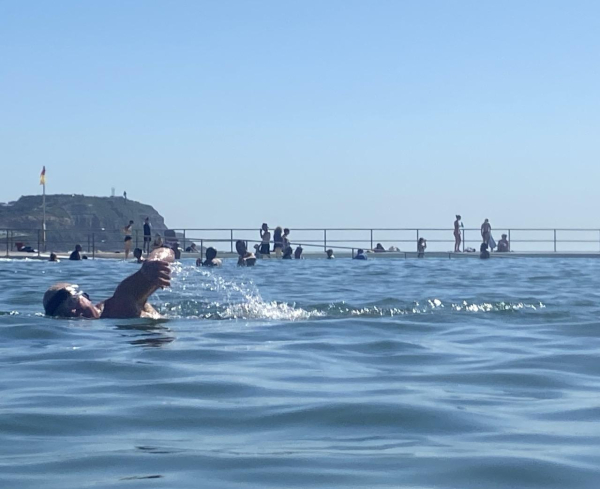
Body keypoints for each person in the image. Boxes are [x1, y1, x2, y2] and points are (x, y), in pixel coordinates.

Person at [43, 247, 174, 319]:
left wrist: (153, 262)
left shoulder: (120, 303)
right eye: (62, 313)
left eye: (72, 301)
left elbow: (166, 251)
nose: (72, 311)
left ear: (85, 296)